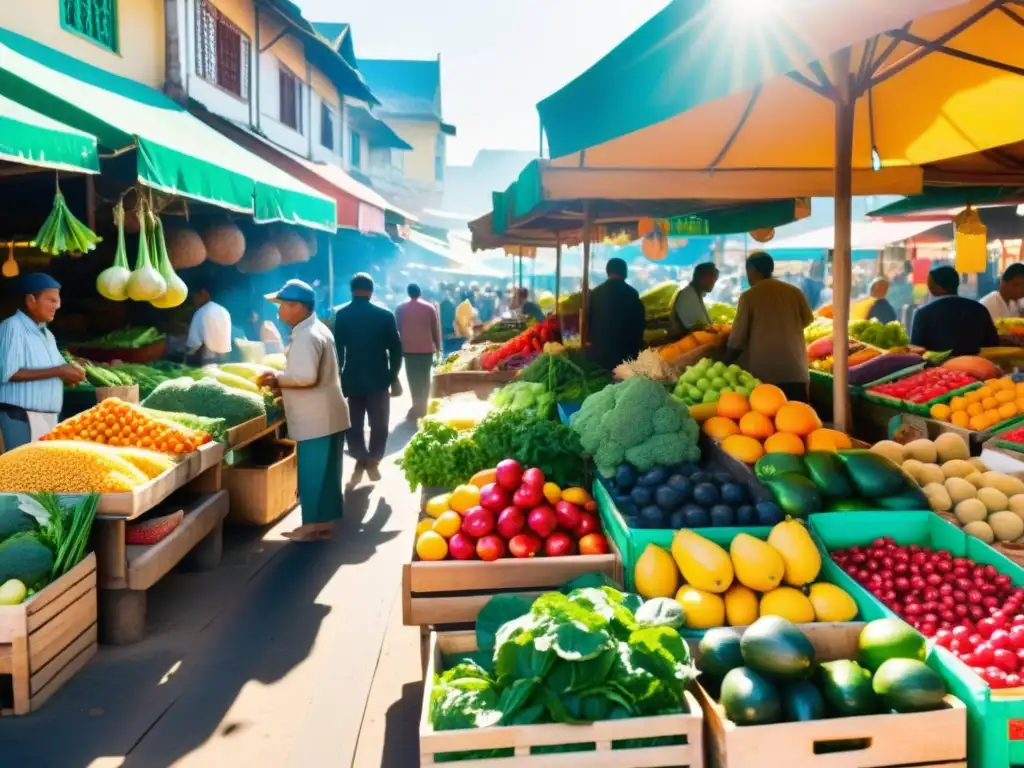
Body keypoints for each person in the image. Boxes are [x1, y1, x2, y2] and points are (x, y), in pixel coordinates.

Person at [258, 280, 348, 542]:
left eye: (283, 305)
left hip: (315, 417)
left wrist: (277, 377)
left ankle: (309, 527)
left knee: (311, 473)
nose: (279, 311)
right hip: (330, 412)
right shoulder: (318, 329)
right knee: (329, 473)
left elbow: (305, 376)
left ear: (299, 307)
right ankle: (325, 523)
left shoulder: (307, 336)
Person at [0, 274, 85, 451]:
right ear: (31, 301)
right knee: (20, 470)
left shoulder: (47, 335)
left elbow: (59, 367)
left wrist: (72, 373)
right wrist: (59, 372)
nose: (58, 305)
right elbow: (10, 373)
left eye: (58, 300)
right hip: (20, 417)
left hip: (48, 418)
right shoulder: (13, 327)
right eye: (51, 300)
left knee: (41, 474)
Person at [333, 273, 402, 477]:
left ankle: (359, 453)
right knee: (379, 422)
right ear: (371, 291)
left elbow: (338, 351)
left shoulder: (342, 315)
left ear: (352, 290)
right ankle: (374, 457)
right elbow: (396, 349)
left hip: (352, 377)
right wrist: (392, 376)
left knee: (353, 422)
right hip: (379, 377)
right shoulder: (384, 315)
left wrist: (339, 377)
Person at [726, 252, 814, 402]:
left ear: (752, 270)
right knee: (799, 416)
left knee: (770, 418)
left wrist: (725, 361)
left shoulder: (749, 296)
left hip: (764, 374)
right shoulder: (794, 292)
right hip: (795, 370)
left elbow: (738, 338)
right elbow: (807, 320)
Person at [911, 265, 999, 356]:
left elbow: (917, 349)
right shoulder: (979, 309)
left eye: (929, 284)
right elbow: (993, 343)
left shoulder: (924, 314)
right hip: (973, 366)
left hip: (938, 368)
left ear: (934, 286)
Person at [586, 258, 645, 370]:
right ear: (625, 274)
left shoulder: (594, 294)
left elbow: (587, 322)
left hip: (599, 355)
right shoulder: (632, 294)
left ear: (607, 272)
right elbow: (640, 325)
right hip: (625, 357)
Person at [396, 283, 442, 419]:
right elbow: (435, 329)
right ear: (419, 292)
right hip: (426, 350)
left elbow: (398, 328)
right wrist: (438, 347)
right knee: (425, 378)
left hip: (409, 350)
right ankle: (423, 405)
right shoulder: (429, 308)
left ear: (408, 293)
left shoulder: (400, 308)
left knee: (413, 378)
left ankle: (416, 404)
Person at [186, 287, 232, 364]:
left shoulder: (202, 312)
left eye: (195, 297)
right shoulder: (224, 311)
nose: (195, 302)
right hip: (225, 359)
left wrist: (185, 360)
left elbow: (193, 344)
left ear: (203, 294)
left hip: (208, 360)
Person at [672, 262, 719, 333]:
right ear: (702, 278)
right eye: (712, 280)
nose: (713, 283)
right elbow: (697, 328)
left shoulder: (695, 293)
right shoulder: (688, 296)